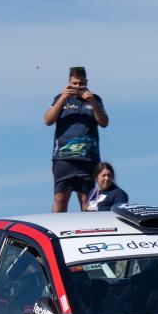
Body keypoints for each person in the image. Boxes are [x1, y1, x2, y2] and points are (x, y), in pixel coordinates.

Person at [43, 66, 108, 213]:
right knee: (60, 198)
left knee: (87, 201)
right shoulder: (60, 98)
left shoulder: (95, 99)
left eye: (81, 83)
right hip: (63, 158)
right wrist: (63, 97)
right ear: (69, 82)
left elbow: (104, 123)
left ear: (86, 82)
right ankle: (56, 230)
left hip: (88, 158)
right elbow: (48, 120)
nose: (78, 87)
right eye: (74, 84)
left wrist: (92, 102)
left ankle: (88, 233)